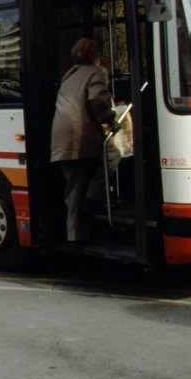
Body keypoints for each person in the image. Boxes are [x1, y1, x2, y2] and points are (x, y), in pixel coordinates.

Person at [50, 38, 117, 243]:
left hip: (60, 137)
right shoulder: (96, 72)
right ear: (96, 56)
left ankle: (75, 234)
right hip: (80, 136)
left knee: (73, 188)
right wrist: (111, 120)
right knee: (114, 155)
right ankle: (94, 197)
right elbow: (97, 98)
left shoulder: (69, 75)